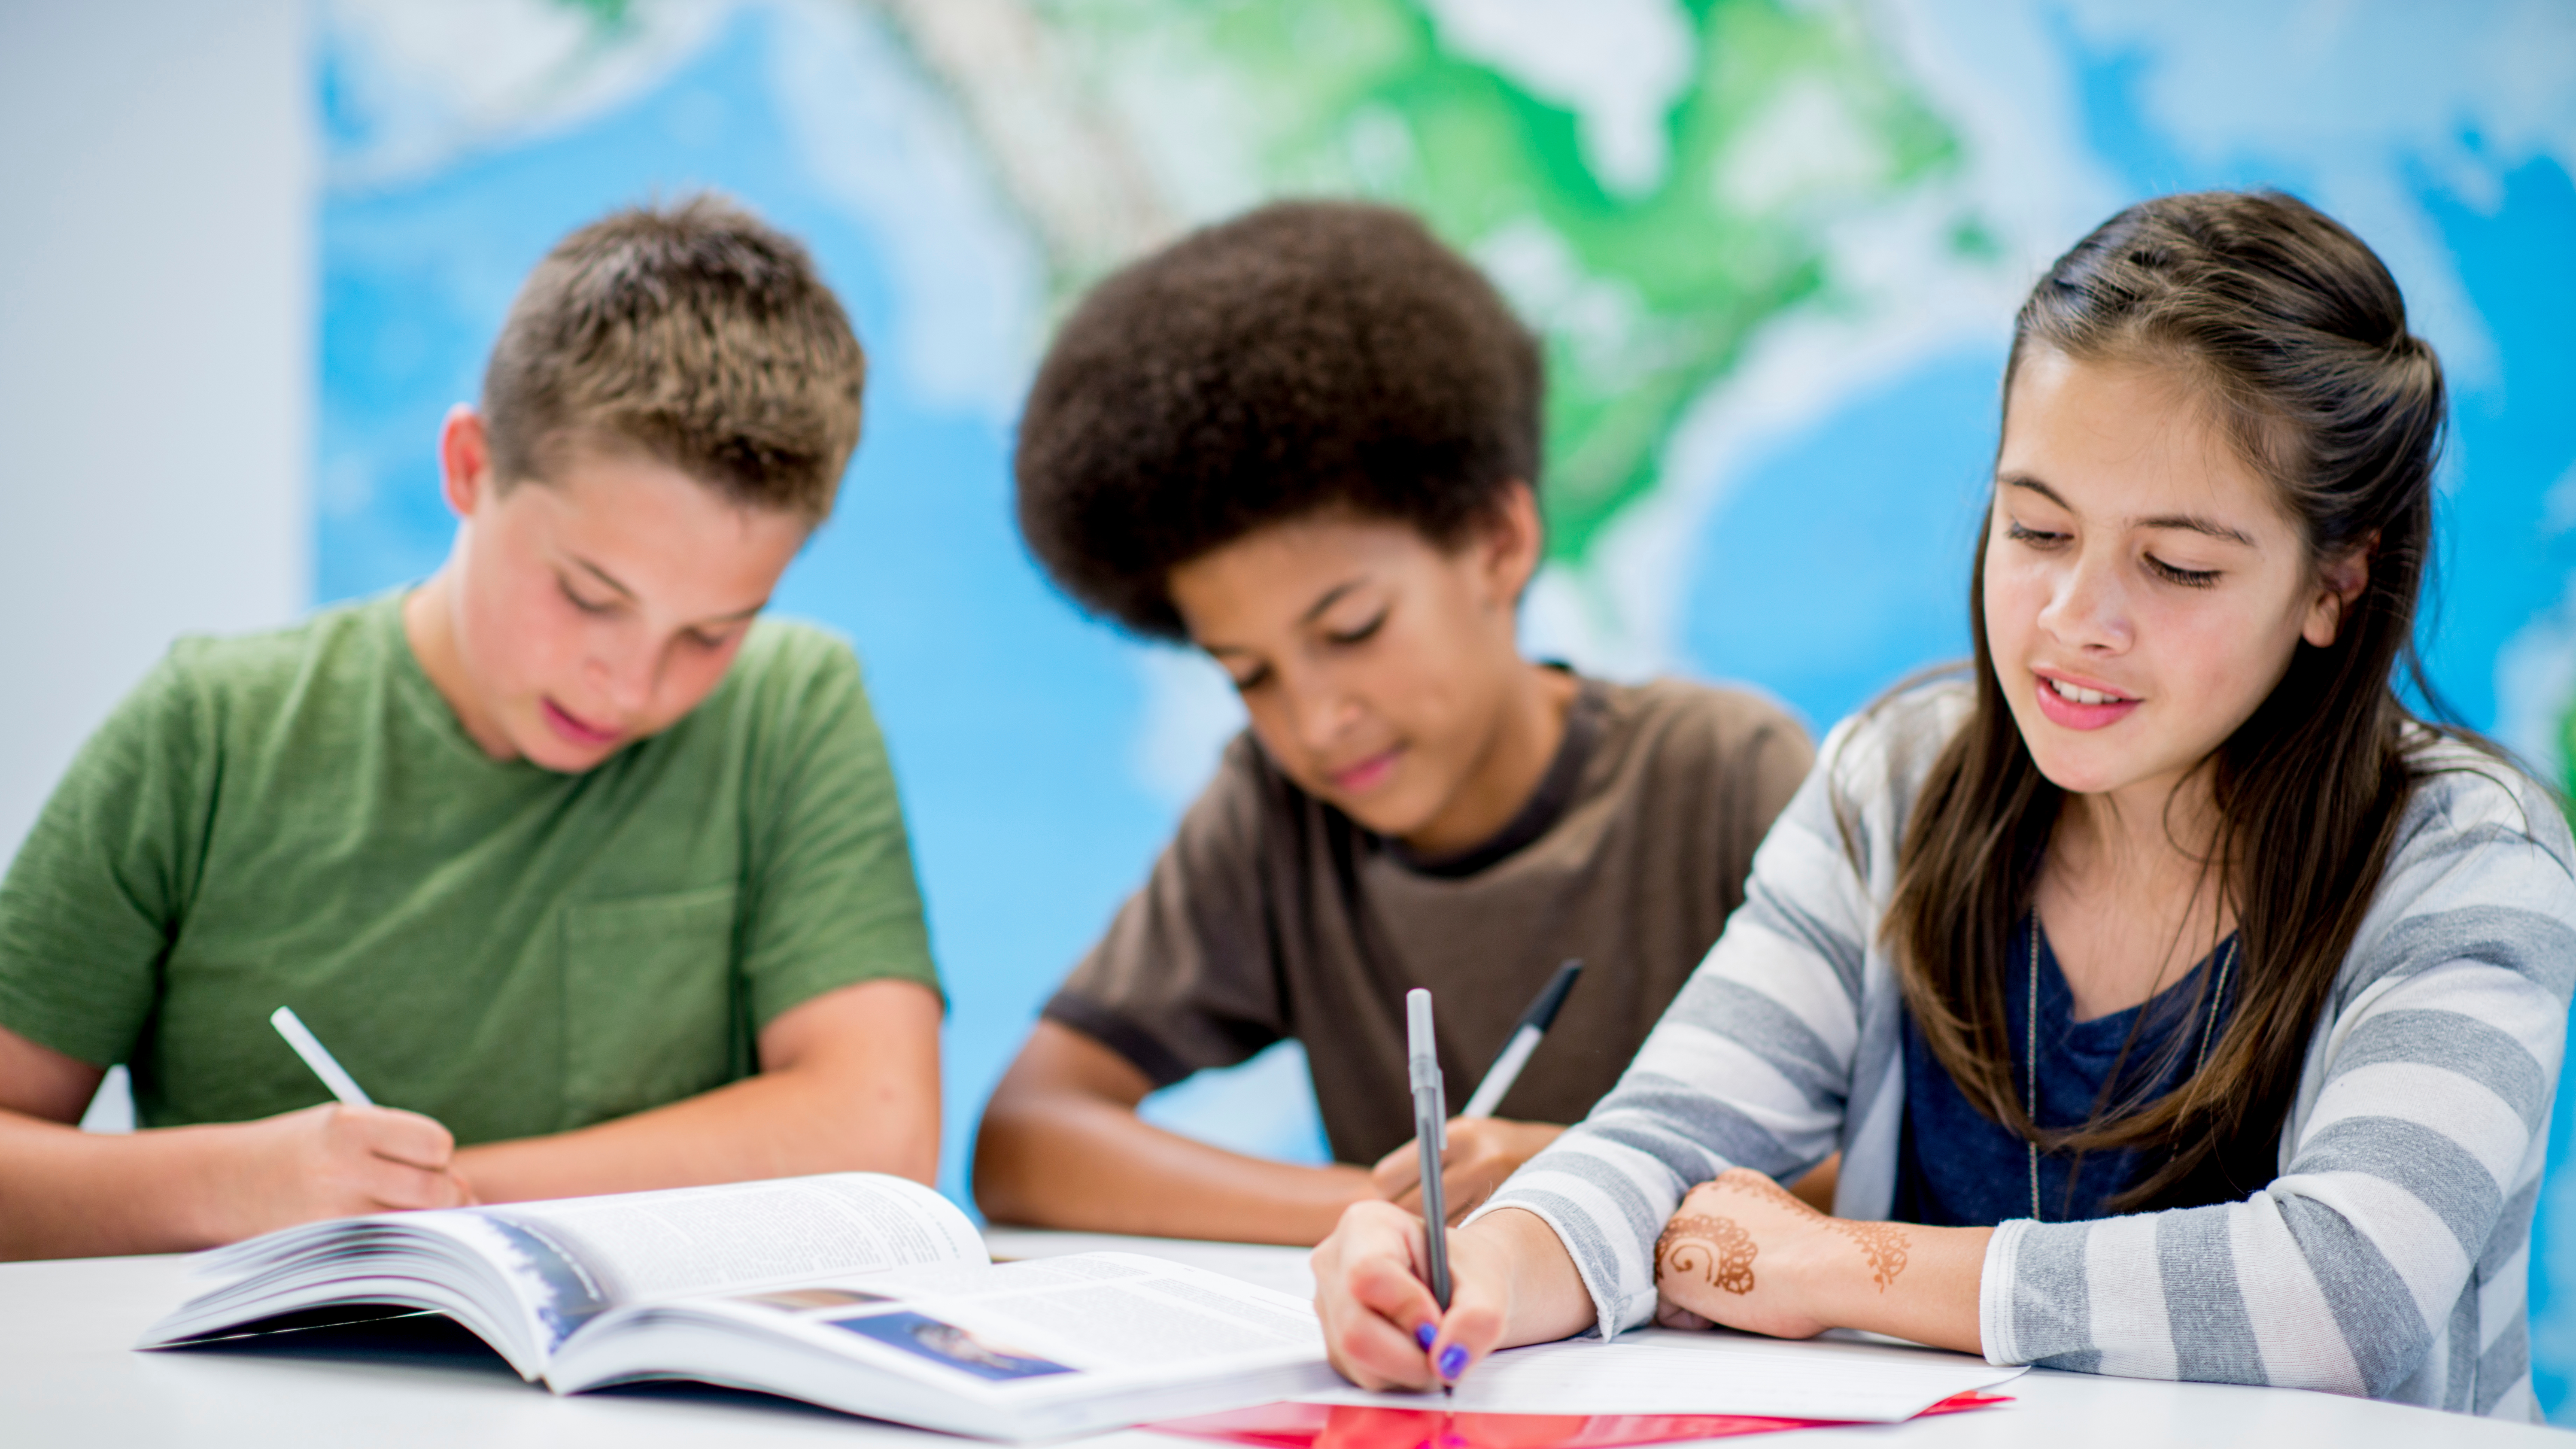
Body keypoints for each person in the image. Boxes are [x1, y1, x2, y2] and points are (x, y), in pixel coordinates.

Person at [1312, 190, 2576, 1421]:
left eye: (2179, 563)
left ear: (2334, 584)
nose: (2076, 620)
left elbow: (2343, 1290)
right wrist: (1487, 1263)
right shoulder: (1897, 777)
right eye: (2036, 530)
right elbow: (1669, 1140)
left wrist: (1835, 1266)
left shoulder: (2471, 863)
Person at [0, 197, 945, 1260]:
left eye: (711, 634)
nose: (631, 687)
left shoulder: (792, 705)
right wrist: (234, 1185)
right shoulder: (209, 731)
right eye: (591, 596)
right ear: (468, 466)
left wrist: (430, 1203)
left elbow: (880, 1130)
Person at [974, 200, 1815, 1246]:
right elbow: (1027, 1135)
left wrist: (1576, 1179)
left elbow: (1895, 1164)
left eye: (1354, 628)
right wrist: (1388, 1212)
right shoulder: (1278, 815)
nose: (1318, 721)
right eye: (1250, 675)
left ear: (1497, 541)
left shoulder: (1725, 772)